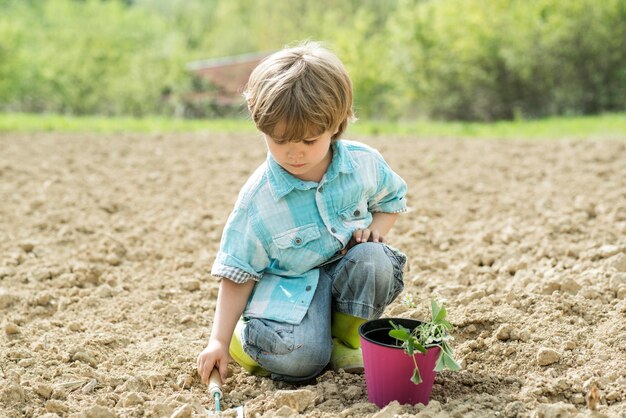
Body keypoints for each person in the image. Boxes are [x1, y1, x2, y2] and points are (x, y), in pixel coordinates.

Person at [197, 41, 407, 385]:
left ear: (335, 124)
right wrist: (217, 340)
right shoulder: (258, 200)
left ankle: (343, 342)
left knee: (375, 260)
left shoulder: (363, 164)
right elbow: (238, 271)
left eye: (309, 141)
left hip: (343, 272)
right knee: (304, 361)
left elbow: (392, 201)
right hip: (287, 292)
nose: (294, 153)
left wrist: (375, 231)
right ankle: (245, 340)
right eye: (279, 141)